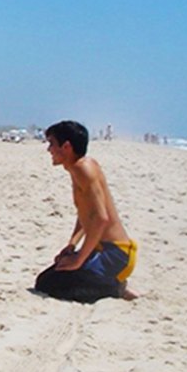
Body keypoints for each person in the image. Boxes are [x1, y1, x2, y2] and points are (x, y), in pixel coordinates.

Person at [35, 120, 138, 303]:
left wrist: (79, 259)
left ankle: (115, 288)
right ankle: (108, 282)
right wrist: (72, 246)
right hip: (100, 248)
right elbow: (86, 214)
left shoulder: (83, 169)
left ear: (66, 146)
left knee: (49, 284)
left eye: (52, 143)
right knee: (49, 277)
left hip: (115, 254)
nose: (48, 149)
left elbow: (100, 218)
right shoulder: (78, 167)